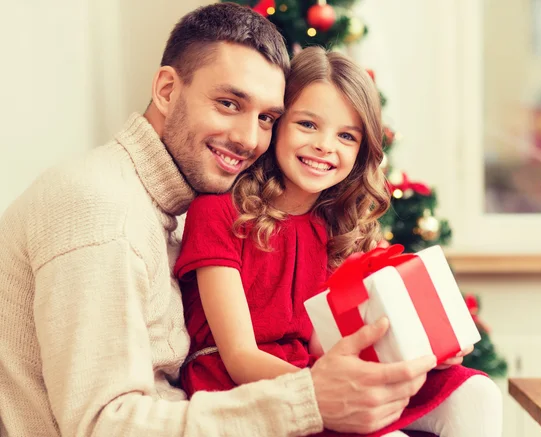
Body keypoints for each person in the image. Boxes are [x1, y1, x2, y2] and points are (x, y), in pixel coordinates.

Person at [0, 3, 438, 436]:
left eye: (267, 118)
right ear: (167, 90)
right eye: (229, 103)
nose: (250, 139)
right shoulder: (100, 211)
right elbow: (103, 426)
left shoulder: (164, 207)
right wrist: (307, 401)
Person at [174, 46, 503, 437]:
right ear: (276, 125)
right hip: (244, 388)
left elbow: (326, 344)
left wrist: (426, 354)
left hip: (314, 371)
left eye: (346, 135)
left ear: (361, 151)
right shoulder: (219, 213)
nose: (325, 146)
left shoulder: (333, 228)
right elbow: (240, 357)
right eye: (308, 125)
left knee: (478, 392)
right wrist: (327, 390)